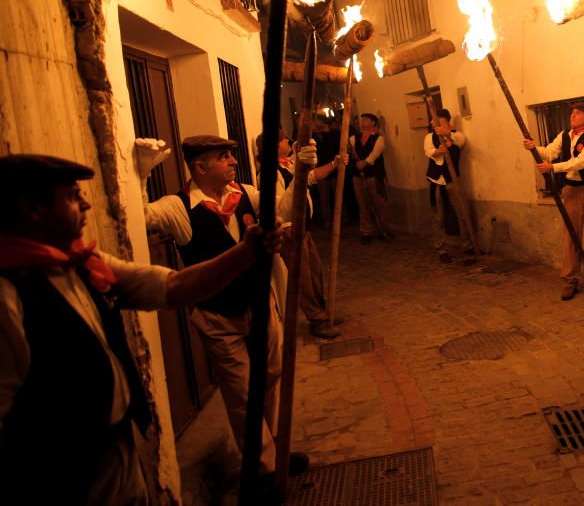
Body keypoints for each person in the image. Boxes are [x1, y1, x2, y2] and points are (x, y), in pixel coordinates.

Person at [0, 153, 282, 505]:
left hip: (117, 447)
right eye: (72, 195)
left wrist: (245, 253)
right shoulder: (8, 296)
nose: (86, 203)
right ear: (34, 208)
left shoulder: (84, 264)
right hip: (64, 473)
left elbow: (174, 287)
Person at [136, 135, 309, 481]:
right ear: (200, 166)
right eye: (223, 157)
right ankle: (263, 470)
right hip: (217, 316)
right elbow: (140, 218)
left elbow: (285, 210)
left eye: (232, 155)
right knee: (244, 394)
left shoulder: (243, 193)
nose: (233, 161)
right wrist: (140, 174)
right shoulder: (179, 207)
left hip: (260, 305)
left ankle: (271, 448)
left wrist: (302, 173)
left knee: (271, 376)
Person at [255, 130, 340, 339]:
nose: (289, 142)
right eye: (285, 140)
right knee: (303, 279)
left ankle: (322, 312)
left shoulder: (286, 165)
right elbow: (281, 207)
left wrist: (334, 164)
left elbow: (309, 177)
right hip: (289, 230)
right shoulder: (269, 173)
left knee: (315, 272)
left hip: (303, 229)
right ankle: (316, 319)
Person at [523, 102, 584, 300]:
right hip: (570, 189)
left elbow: (582, 161)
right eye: (572, 112)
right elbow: (551, 152)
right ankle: (570, 279)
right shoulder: (565, 134)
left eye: (578, 112)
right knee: (571, 233)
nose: (573, 115)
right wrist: (533, 147)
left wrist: (553, 168)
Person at [424, 109, 474, 263]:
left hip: (452, 181)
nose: (432, 123)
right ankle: (441, 249)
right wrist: (438, 151)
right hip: (437, 181)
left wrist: (446, 135)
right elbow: (429, 152)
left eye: (435, 120)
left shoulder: (457, 135)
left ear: (443, 120)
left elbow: (457, 142)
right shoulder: (429, 137)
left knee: (463, 213)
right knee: (438, 217)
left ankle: (468, 245)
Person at [349, 113, 393, 244]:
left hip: (374, 176)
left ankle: (385, 229)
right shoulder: (353, 139)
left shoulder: (378, 139)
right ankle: (367, 231)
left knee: (379, 204)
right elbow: (349, 152)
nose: (363, 121)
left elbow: (375, 153)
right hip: (358, 177)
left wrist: (365, 162)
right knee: (363, 204)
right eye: (363, 119)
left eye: (367, 119)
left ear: (373, 123)